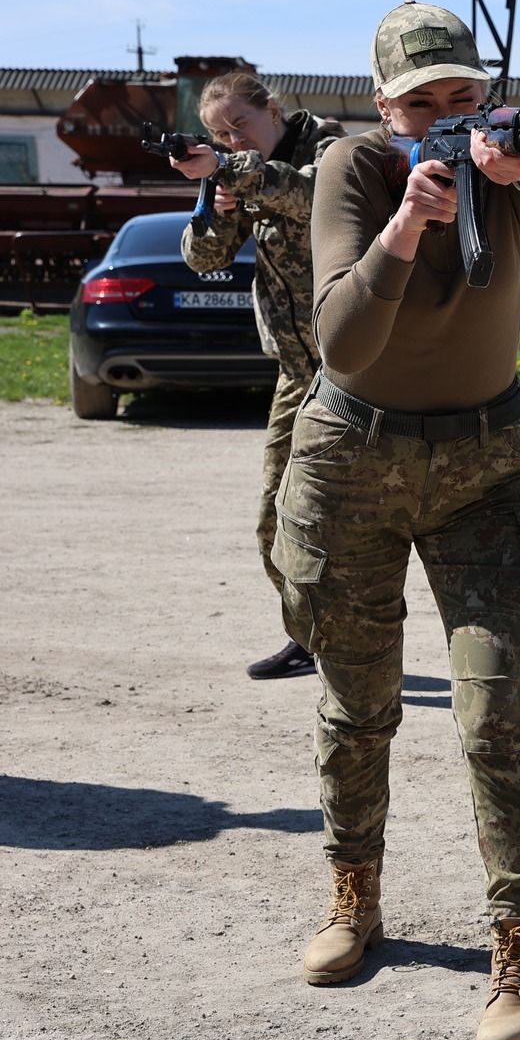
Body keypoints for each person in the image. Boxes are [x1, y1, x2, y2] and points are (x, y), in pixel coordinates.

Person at [288, 1, 520, 1040]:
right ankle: (353, 894)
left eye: (465, 95)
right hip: (353, 461)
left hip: (483, 467)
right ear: (385, 107)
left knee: (493, 712)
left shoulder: (512, 159)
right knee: (357, 706)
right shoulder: (353, 168)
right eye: (424, 102)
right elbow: (342, 339)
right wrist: (406, 224)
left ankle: (519, 951)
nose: (449, 116)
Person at [168, 72, 344, 680]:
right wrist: (218, 207)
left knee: (359, 519)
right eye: (221, 134)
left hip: (357, 368)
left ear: (273, 109)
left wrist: (233, 169)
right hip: (298, 374)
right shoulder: (238, 174)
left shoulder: (330, 148)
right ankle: (311, 639)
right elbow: (203, 258)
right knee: (276, 516)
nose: (232, 139)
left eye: (240, 124)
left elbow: (314, 196)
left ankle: (361, 638)